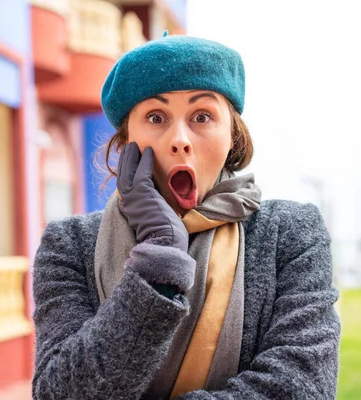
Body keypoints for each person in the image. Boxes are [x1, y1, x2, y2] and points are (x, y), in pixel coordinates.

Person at [31, 32, 341, 400]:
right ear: (127, 139)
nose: (180, 139)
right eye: (156, 117)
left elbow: (303, 386)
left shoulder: (291, 234)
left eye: (202, 116)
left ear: (232, 138)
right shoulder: (68, 246)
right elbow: (59, 392)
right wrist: (159, 263)